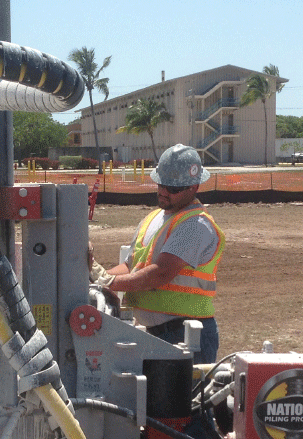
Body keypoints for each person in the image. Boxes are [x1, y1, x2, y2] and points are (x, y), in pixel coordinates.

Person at [89, 143, 225, 364]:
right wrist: (97, 278)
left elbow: (160, 274)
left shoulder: (195, 224)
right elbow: (131, 266)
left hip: (185, 333)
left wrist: (109, 281)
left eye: (173, 188)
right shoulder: (153, 219)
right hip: (156, 332)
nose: (163, 191)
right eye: (161, 183)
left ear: (194, 187)